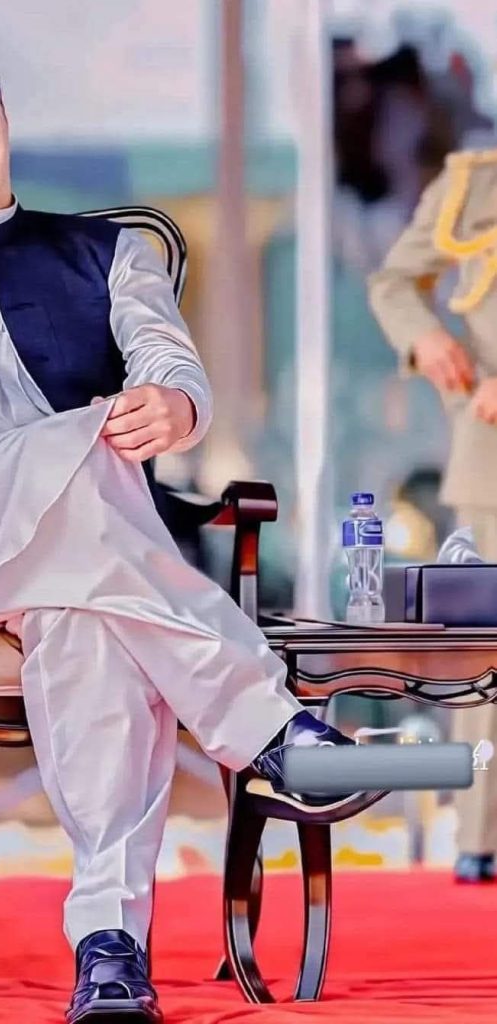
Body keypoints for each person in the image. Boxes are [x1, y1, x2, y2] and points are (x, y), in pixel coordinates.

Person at [0, 19, 355, 1021]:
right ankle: (263, 723)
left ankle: (108, 949)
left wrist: (173, 405)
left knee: (84, 628)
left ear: (2, 109)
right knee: (86, 448)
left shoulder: (109, 251)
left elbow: (164, 357)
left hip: (80, 560)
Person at [369, 146, 497, 885]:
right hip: (491, 450)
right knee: (490, 651)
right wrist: (427, 338)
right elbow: (394, 281)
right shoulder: (474, 180)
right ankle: (483, 835)